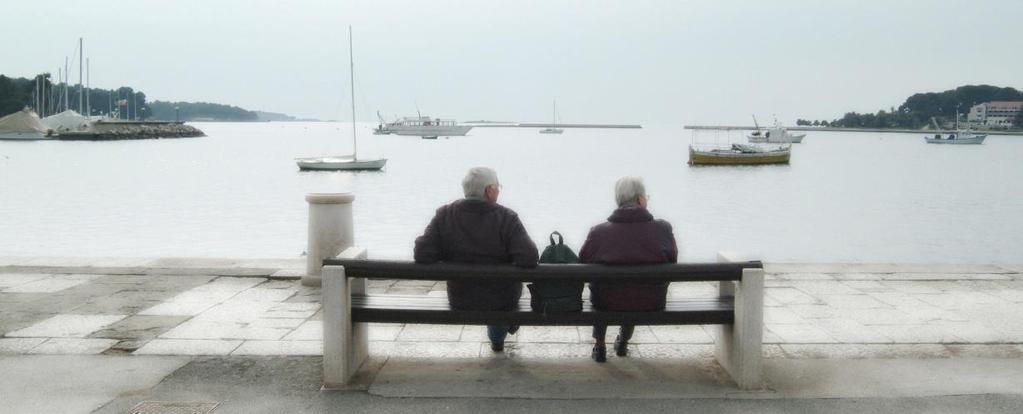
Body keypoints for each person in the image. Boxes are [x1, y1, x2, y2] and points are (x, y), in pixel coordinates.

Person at [414, 167, 539, 352]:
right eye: (498, 187)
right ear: (489, 191)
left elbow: (422, 253)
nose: (498, 190)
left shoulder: (445, 215)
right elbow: (529, 257)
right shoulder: (507, 218)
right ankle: (498, 336)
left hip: (461, 298)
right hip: (501, 300)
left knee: (497, 292)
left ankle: (500, 332)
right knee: (503, 292)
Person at [579, 176, 678, 362]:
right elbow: (672, 258)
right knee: (635, 288)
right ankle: (623, 341)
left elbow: (584, 260)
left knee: (605, 287)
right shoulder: (663, 228)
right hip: (650, 300)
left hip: (606, 301)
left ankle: (599, 345)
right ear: (641, 200)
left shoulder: (599, 232)